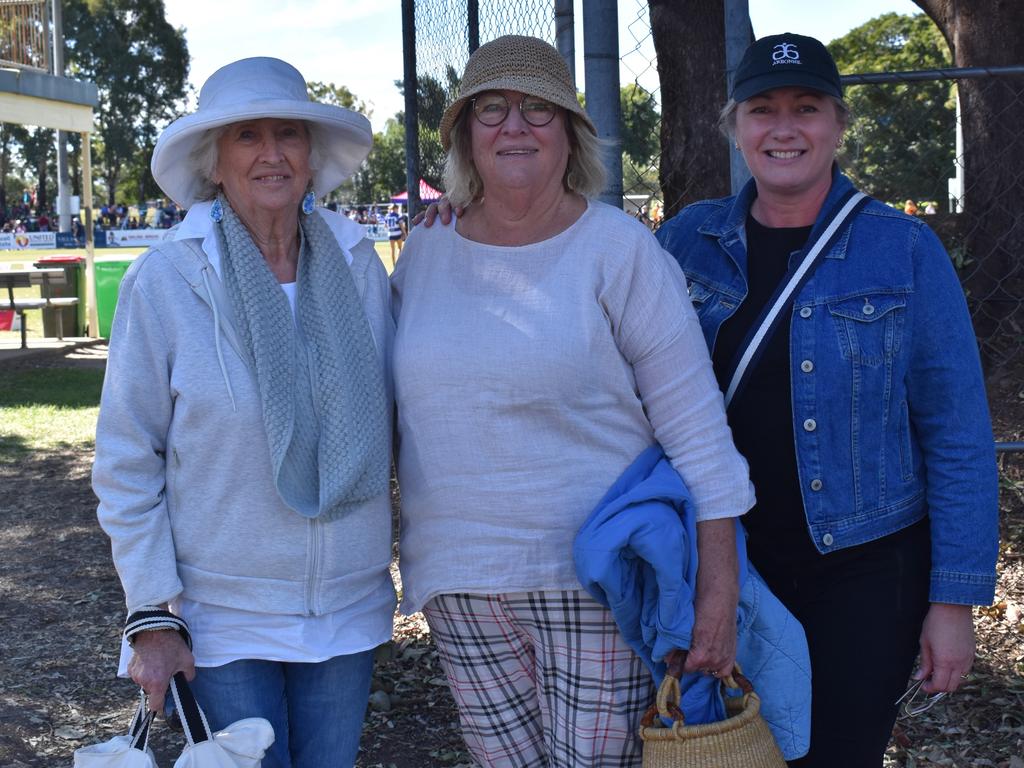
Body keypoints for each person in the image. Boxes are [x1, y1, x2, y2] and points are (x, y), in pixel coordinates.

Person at [391, 35, 755, 766]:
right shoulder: (424, 253)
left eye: (538, 110)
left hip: (596, 581)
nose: (514, 127)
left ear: (571, 133)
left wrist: (715, 598)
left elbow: (700, 436)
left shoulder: (618, 251)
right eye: (491, 109)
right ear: (465, 133)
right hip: (460, 584)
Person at [654, 33, 999, 767]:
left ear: (839, 124)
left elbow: (958, 434)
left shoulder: (903, 249)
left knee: (836, 755)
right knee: (723, 749)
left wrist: (954, 603)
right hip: (723, 561)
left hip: (863, 568)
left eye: (806, 108)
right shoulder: (685, 242)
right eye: (763, 109)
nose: (784, 128)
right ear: (735, 127)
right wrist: (472, 218)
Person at [92, 57, 395, 768]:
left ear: (310, 153)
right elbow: (128, 462)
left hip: (346, 611)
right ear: (214, 162)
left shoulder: (357, 266)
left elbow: (402, 411)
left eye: (287, 133)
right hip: (222, 617)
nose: (271, 154)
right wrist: (154, 614)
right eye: (247, 137)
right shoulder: (165, 281)